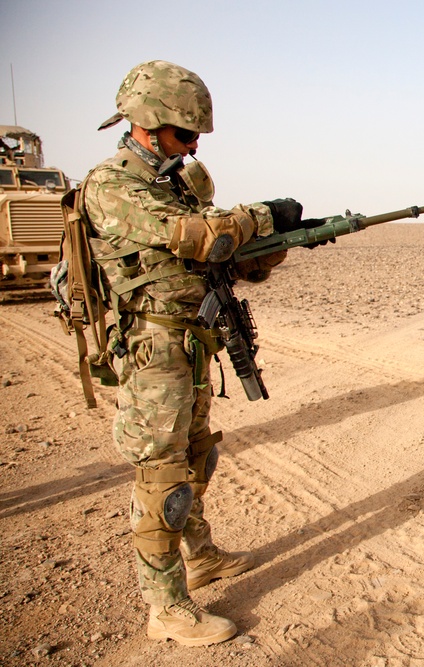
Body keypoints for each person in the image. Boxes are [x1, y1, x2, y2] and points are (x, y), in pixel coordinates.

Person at [85, 60, 313, 647]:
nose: (190, 149)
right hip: (153, 348)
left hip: (191, 341)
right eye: (184, 136)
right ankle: (165, 605)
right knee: (163, 474)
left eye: (196, 139)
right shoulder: (111, 187)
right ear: (147, 123)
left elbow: (215, 255)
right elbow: (198, 236)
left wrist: (272, 247)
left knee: (195, 457)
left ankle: (200, 554)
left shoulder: (175, 183)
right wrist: (262, 215)